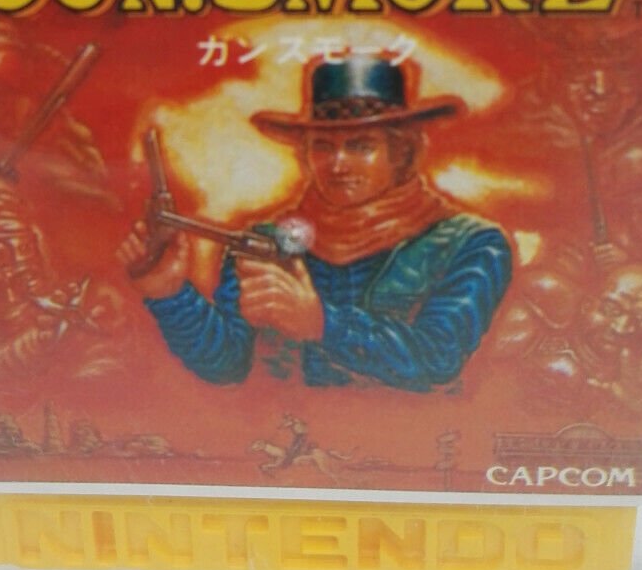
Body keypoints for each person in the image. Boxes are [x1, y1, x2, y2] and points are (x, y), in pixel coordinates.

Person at [120, 56, 512, 391]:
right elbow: (227, 365)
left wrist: (321, 324)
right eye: (323, 146)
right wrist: (169, 293)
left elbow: (437, 359)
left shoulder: (473, 244)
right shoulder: (266, 241)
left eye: (361, 146)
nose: (338, 164)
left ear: (401, 153)